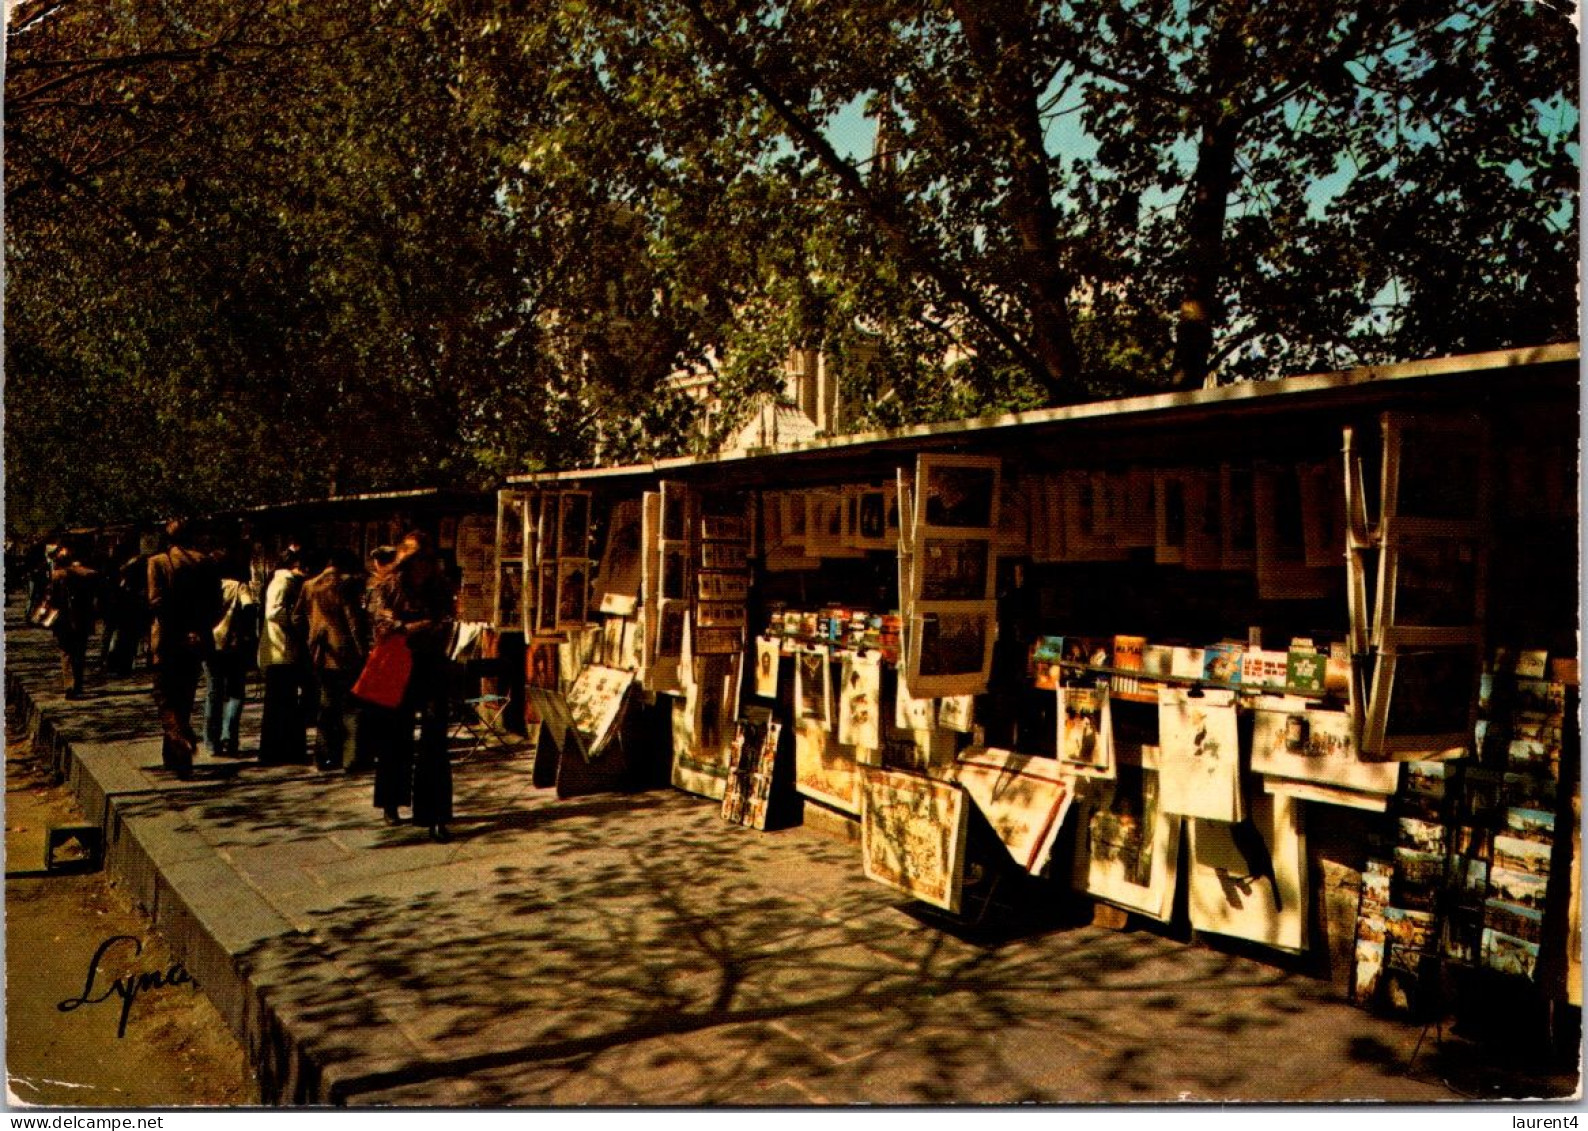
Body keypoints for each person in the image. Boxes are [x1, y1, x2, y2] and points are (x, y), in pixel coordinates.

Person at [370, 532, 457, 841]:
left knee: (434, 738)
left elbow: (446, 623)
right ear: (406, 563)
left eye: (427, 561)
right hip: (397, 665)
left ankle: (435, 814)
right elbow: (382, 625)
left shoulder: (441, 588)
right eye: (417, 561)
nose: (423, 568)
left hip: (431, 664)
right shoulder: (388, 587)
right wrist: (416, 626)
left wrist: (407, 627)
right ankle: (391, 800)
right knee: (396, 735)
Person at [147, 520, 222, 778]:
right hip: (196, 640)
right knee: (185, 696)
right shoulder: (207, 562)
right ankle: (174, 758)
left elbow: (156, 601)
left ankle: (180, 740)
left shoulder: (158, 562)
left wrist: (177, 629)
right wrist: (198, 629)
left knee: (165, 698)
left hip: (167, 640)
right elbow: (216, 604)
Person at [296, 548, 367, 771]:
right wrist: (363, 651)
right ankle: (350, 757)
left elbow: (296, 616)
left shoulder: (309, 585)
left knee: (327, 704)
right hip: (345, 651)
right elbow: (352, 620)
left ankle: (323, 756)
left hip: (320, 651)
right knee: (350, 705)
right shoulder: (344, 584)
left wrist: (312, 634)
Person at [257, 549, 314, 764]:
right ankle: (278, 751)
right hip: (281, 649)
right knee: (280, 704)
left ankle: (279, 750)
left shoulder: (280, 580)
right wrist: (295, 623)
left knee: (282, 704)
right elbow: (274, 611)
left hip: (279, 650)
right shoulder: (285, 581)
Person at [204, 554, 258, 759]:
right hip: (234, 644)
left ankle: (211, 741)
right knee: (236, 692)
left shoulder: (207, 587)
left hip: (210, 642)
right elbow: (249, 607)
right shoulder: (239, 587)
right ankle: (229, 735)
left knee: (213, 692)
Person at [351, 546, 399, 774]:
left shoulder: (390, 584)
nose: (378, 565)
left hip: (385, 648)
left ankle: (372, 748)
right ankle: (369, 749)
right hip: (376, 647)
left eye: (382, 561)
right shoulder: (375, 585)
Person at [47, 542, 100, 698]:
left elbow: (51, 598)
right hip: (82, 618)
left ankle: (69, 685)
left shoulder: (57, 576)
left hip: (63, 620)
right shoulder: (86, 574)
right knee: (80, 653)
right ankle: (78, 685)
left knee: (66, 653)